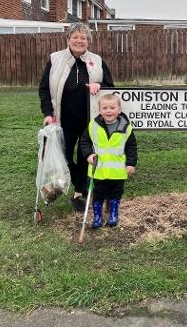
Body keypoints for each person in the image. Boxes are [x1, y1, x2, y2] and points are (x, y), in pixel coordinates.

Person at [39, 22, 114, 212]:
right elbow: (44, 89)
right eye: (75, 37)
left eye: (83, 38)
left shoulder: (96, 60)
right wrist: (48, 113)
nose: (79, 41)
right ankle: (72, 180)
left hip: (89, 121)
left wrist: (100, 86)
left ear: (88, 41)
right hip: (62, 119)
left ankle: (79, 193)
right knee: (63, 156)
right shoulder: (55, 59)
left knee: (84, 155)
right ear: (68, 39)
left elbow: (110, 87)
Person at [80, 93, 137, 228]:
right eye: (105, 108)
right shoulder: (93, 125)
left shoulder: (126, 128)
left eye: (112, 108)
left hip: (118, 172)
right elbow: (85, 142)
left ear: (119, 110)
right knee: (98, 194)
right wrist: (88, 155)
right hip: (98, 170)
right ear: (99, 110)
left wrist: (130, 164)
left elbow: (131, 147)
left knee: (115, 194)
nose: (108, 111)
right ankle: (97, 217)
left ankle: (113, 214)